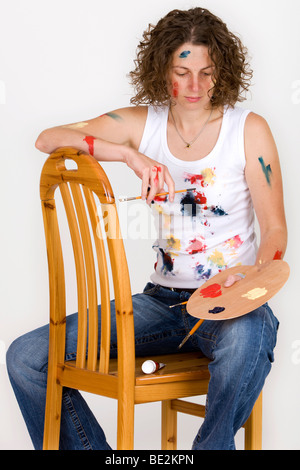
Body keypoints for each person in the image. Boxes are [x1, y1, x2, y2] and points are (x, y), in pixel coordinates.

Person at [7, 7, 287, 450]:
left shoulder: (248, 130)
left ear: (223, 72)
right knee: (27, 359)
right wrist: (130, 155)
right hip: (161, 304)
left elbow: (275, 232)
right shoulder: (143, 124)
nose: (194, 86)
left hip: (228, 303)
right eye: (182, 71)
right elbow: (47, 139)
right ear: (163, 69)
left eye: (207, 72)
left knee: (250, 335)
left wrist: (250, 283)